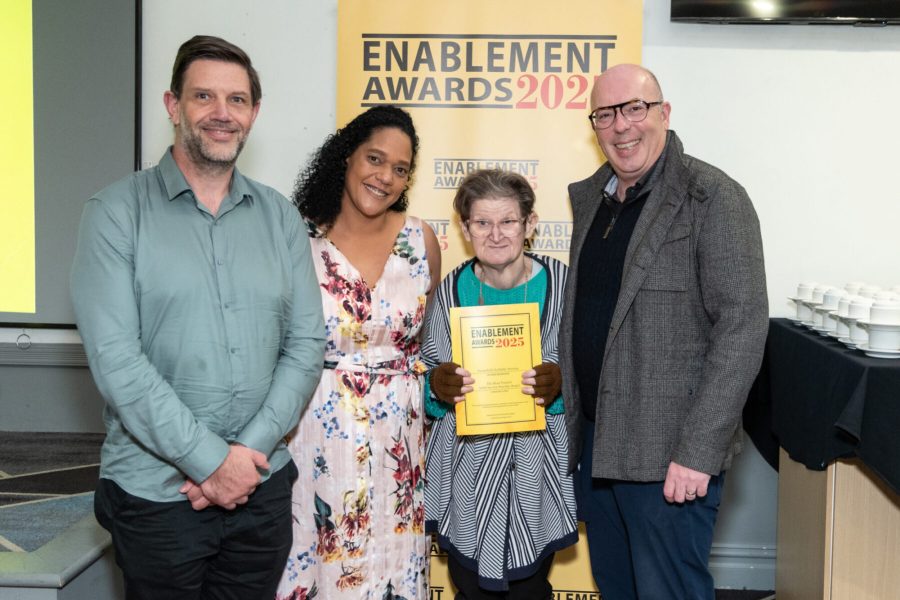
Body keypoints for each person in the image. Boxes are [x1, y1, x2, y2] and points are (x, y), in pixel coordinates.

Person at [70, 35, 326, 599]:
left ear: (254, 113)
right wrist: (212, 463)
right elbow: (117, 361)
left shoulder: (281, 218)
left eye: (237, 100)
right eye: (203, 96)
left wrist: (246, 456)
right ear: (173, 105)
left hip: (260, 489)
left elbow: (307, 343)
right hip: (156, 497)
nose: (221, 113)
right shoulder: (115, 213)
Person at [558, 64, 768, 599]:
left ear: (664, 113)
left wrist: (698, 451)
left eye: (635, 108)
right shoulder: (593, 200)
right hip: (598, 448)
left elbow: (742, 329)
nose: (621, 126)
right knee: (617, 588)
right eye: (605, 114)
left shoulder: (712, 197)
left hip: (669, 458)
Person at [275, 105, 441, 600]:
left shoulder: (421, 240)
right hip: (315, 437)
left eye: (400, 168)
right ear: (347, 155)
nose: (385, 176)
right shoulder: (296, 238)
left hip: (399, 443)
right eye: (375, 158)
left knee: (393, 564)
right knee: (319, 566)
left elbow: (430, 345)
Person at [422, 169, 578, 599]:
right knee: (470, 586)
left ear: (530, 224)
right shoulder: (449, 292)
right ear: (465, 229)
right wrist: (435, 386)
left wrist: (563, 384)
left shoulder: (565, 285)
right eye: (482, 223)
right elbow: (422, 378)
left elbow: (596, 371)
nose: (495, 234)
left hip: (538, 470)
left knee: (530, 588)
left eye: (508, 221)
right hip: (465, 470)